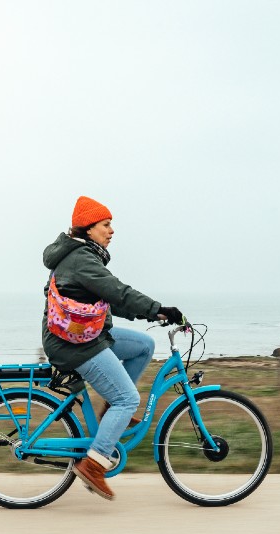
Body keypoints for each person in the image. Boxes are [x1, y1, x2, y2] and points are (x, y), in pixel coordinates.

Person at [41, 195, 183, 500]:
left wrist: (152, 314)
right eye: (106, 224)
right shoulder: (81, 259)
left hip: (85, 334)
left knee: (143, 345)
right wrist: (158, 309)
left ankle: (109, 412)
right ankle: (94, 464)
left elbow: (107, 301)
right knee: (128, 399)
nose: (111, 230)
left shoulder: (81, 255)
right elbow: (118, 291)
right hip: (73, 344)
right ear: (89, 228)